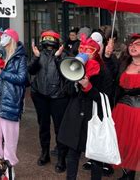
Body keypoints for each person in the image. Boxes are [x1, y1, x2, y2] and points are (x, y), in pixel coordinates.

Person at [58, 34, 113, 180]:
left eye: (88, 50)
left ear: (95, 52)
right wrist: (75, 83)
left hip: (93, 118)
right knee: (72, 154)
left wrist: (88, 87)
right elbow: (67, 91)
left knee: (95, 157)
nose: (84, 53)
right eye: (82, 50)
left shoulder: (104, 72)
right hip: (76, 116)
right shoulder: (74, 67)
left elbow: (106, 99)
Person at [0, 29, 27, 178]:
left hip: (10, 105)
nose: (3, 38)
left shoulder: (20, 58)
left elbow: (22, 79)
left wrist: (3, 73)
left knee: (10, 142)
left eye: (6, 36)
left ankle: (9, 169)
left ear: (12, 39)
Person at [28, 30, 69, 172]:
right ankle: (45, 153)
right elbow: (31, 71)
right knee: (43, 126)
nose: (48, 44)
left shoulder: (64, 55)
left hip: (59, 97)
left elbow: (66, 74)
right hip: (40, 96)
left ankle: (62, 158)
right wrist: (35, 57)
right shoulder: (39, 54)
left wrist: (58, 58)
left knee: (60, 128)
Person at [111, 33, 140, 180]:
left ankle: (130, 175)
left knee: (136, 146)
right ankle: (126, 173)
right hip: (121, 111)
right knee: (123, 143)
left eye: (138, 44)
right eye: (131, 44)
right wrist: (107, 54)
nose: (133, 47)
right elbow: (109, 76)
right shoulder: (123, 63)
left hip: (137, 114)